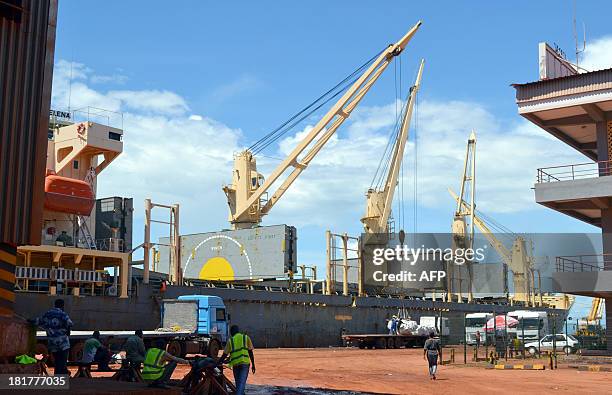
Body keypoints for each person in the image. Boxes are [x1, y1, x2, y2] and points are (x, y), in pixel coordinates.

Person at [31, 299, 73, 375]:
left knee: (57, 361)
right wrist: (68, 332)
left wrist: (30, 321)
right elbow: (69, 323)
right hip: (63, 342)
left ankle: (57, 377)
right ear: (62, 306)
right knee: (62, 361)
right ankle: (61, 377)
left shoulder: (48, 314)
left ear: (55, 304)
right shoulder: (62, 314)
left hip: (52, 342)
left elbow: (38, 321)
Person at [219, 325, 255, 395]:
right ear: (238, 331)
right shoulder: (245, 338)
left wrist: (217, 363)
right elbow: (250, 352)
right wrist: (253, 365)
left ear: (232, 332)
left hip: (235, 365)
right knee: (241, 385)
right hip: (245, 364)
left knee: (239, 384)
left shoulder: (230, 341)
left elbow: (224, 355)